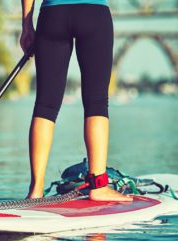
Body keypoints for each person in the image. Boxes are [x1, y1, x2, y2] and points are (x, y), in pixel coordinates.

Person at [20, 0, 132, 201]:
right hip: (94, 11)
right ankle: (98, 186)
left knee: (45, 105)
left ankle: (36, 190)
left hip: (53, 13)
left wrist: (27, 25)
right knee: (96, 102)